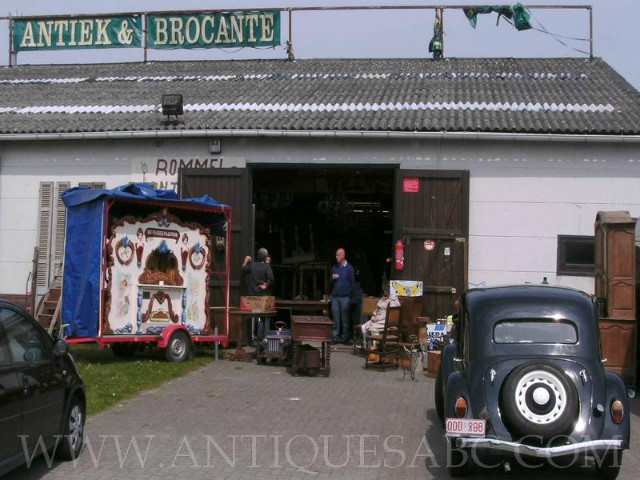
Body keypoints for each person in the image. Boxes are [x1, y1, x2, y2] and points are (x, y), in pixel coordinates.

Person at [330, 247, 355, 344]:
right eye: (336, 255)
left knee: (345, 319)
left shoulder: (349, 268)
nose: (336, 257)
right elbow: (330, 282)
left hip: (345, 297)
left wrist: (351, 297)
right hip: (335, 297)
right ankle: (335, 338)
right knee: (335, 319)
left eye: (338, 255)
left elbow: (352, 283)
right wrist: (332, 278)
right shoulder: (335, 267)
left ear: (343, 256)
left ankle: (345, 338)